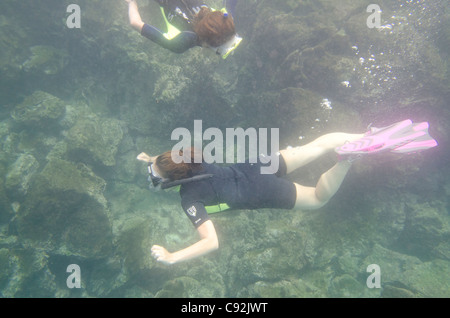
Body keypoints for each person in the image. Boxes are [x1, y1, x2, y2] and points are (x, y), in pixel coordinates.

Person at [137, 119, 437, 265]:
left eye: (155, 178)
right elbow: (169, 164)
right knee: (316, 145)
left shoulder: (189, 199)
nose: (154, 179)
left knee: (319, 199)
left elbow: (211, 242)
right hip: (255, 166)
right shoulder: (191, 158)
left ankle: (348, 160)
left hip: (260, 191)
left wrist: (173, 257)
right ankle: (366, 135)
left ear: (170, 181)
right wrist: (153, 160)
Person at [124, 0, 242, 58]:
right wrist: (132, 3)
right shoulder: (181, 42)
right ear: (209, 45)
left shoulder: (225, 18)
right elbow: (135, 23)